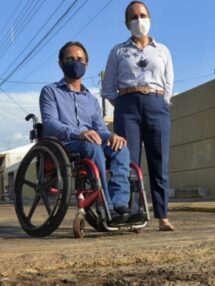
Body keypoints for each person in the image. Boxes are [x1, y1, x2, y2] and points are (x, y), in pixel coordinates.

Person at [102, 1, 174, 231]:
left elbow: (169, 83)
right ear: (126, 23)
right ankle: (132, 214)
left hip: (156, 105)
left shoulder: (162, 50)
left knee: (159, 161)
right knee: (129, 162)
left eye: (142, 15)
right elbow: (108, 87)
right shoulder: (118, 51)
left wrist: (160, 102)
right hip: (127, 108)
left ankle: (162, 216)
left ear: (150, 18)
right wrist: (124, 103)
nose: (138, 20)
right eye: (133, 17)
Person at [40, 41, 131, 224]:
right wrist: (77, 133)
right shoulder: (50, 92)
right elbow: (49, 124)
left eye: (80, 59)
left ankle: (121, 203)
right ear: (60, 63)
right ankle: (106, 206)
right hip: (65, 144)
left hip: (92, 142)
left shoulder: (91, 99)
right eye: (70, 59)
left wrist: (111, 136)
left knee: (121, 148)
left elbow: (99, 129)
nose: (76, 62)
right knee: (93, 147)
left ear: (86, 64)